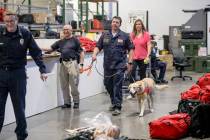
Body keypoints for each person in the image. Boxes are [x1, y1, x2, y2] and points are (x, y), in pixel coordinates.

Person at [0, 11, 47, 140]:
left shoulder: (25, 34)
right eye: (7, 21)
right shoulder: (0, 32)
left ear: (17, 21)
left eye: (12, 21)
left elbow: (36, 52)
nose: (9, 24)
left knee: (19, 109)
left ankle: (21, 136)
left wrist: (42, 69)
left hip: (18, 75)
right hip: (1, 74)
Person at [92, 16, 134, 116]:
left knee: (117, 86)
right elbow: (98, 46)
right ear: (111, 23)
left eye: (117, 22)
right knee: (107, 84)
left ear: (120, 24)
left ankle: (118, 106)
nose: (115, 23)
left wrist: (130, 62)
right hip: (107, 65)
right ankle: (113, 102)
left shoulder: (124, 36)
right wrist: (94, 54)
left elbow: (131, 49)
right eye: (114, 22)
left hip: (119, 65)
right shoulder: (105, 35)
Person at [43, 24, 84, 109]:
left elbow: (82, 52)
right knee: (64, 85)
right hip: (63, 64)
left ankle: (76, 102)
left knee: (74, 85)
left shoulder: (75, 40)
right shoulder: (60, 42)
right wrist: (38, 48)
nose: (65, 31)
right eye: (64, 29)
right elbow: (50, 49)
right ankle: (67, 102)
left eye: (67, 29)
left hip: (72, 63)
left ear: (71, 30)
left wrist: (81, 65)